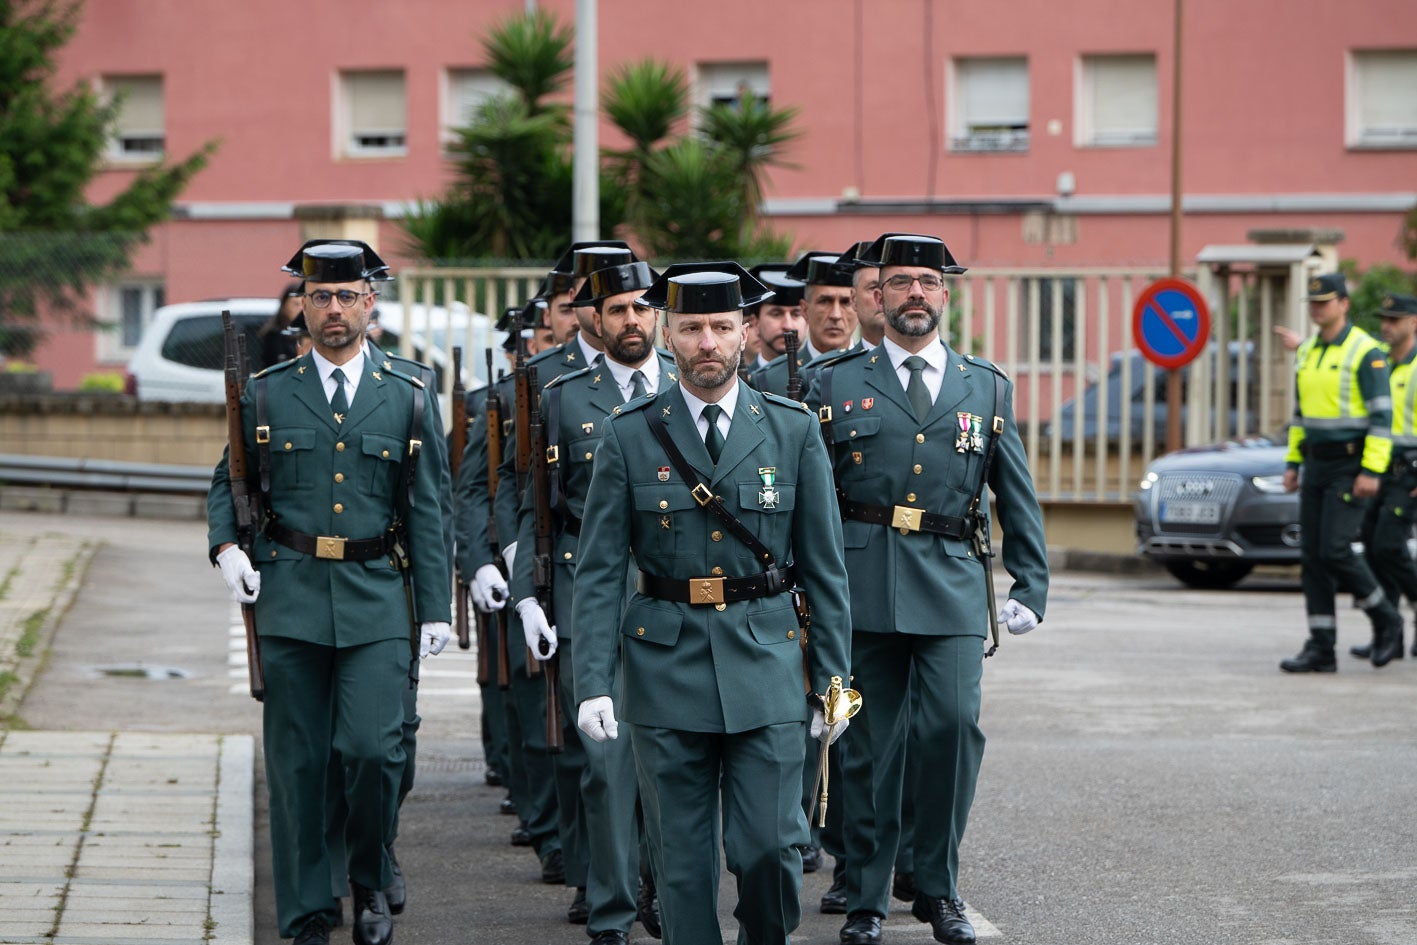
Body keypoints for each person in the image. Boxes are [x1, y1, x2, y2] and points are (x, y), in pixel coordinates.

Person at [572, 262, 853, 945]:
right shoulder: (630, 431)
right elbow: (600, 568)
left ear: (745, 332)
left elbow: (823, 565)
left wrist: (835, 681)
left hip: (767, 663)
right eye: (692, 327)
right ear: (667, 334)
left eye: (722, 327)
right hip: (664, 666)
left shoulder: (789, 429)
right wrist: (591, 683)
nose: (707, 342)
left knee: (769, 848)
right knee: (680, 862)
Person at [208, 240, 451, 945]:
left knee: (375, 752)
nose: (334, 308)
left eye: (347, 295)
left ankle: (369, 873)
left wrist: (434, 605)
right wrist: (227, 546)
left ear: (370, 303)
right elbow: (232, 480)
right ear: (302, 305)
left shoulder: (408, 392)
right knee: (299, 764)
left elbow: (428, 506)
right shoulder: (265, 391)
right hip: (290, 596)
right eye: (320, 296)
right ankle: (310, 908)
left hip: (378, 596)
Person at [807, 233, 1048, 945]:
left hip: (948, 585)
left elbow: (1016, 491)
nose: (916, 292)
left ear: (945, 295)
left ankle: (938, 889)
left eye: (929, 281)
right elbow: (809, 499)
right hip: (860, 583)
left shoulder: (986, 384)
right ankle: (866, 897)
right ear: (875, 296)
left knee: (951, 732)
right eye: (901, 281)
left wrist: (1030, 581)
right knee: (861, 743)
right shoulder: (832, 383)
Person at [512, 260, 674, 945]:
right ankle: (609, 910)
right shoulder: (562, 396)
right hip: (590, 591)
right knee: (605, 766)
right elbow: (535, 510)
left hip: (674, 595)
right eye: (617, 311)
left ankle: (660, 888)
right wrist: (528, 594)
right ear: (594, 320)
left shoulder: (694, 383)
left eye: (641, 308)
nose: (631, 321)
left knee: (670, 762)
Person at [1280, 272, 1404, 672]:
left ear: (1344, 304)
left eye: (1326, 302)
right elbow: (1300, 417)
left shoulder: (1366, 352)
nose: (1318, 309)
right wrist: (1293, 463)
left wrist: (1371, 470)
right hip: (1315, 464)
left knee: (1335, 549)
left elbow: (1383, 418)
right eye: (1313, 303)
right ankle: (1321, 647)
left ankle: (1387, 618)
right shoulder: (1307, 351)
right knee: (1313, 557)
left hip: (1350, 465)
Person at [1351, 292, 1417, 661]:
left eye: (1395, 320)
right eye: (1384, 319)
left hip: (1409, 471)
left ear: (1413, 323)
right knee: (1375, 552)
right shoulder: (1378, 362)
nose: (1387, 326)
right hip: (1377, 468)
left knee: (1390, 546)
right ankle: (1387, 632)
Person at [752, 251, 855, 396]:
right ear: (805, 309)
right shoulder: (769, 380)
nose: (835, 315)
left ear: (857, 305)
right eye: (824, 302)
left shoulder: (880, 371)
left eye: (846, 302)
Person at [745, 265, 807, 372]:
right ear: (755, 322)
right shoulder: (743, 383)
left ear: (807, 317)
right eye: (776, 314)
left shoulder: (822, 377)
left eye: (796, 314)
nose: (788, 326)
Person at [259, 280, 305, 367]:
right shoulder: (273, 336)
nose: (301, 310)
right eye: (296, 304)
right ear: (285, 306)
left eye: (304, 305)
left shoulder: (312, 332)